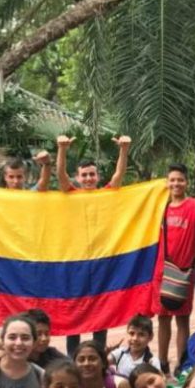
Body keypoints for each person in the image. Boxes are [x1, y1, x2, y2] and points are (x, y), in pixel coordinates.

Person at [49, 134, 132, 356]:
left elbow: (119, 175)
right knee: (73, 311)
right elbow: (60, 175)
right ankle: (72, 358)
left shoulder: (106, 194)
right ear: (78, 177)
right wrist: (62, 149)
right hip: (75, 263)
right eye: (84, 175)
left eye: (91, 174)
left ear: (97, 176)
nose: (88, 178)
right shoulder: (71, 194)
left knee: (100, 311)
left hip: (100, 263)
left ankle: (97, 356)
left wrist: (124, 150)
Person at [153, 164, 195, 372]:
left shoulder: (192, 205)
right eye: (172, 180)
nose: (176, 184)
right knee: (163, 319)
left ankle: (181, 363)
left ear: (186, 182)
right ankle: (163, 363)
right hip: (161, 272)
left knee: (183, 320)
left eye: (180, 180)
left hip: (184, 272)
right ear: (167, 182)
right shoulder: (160, 206)